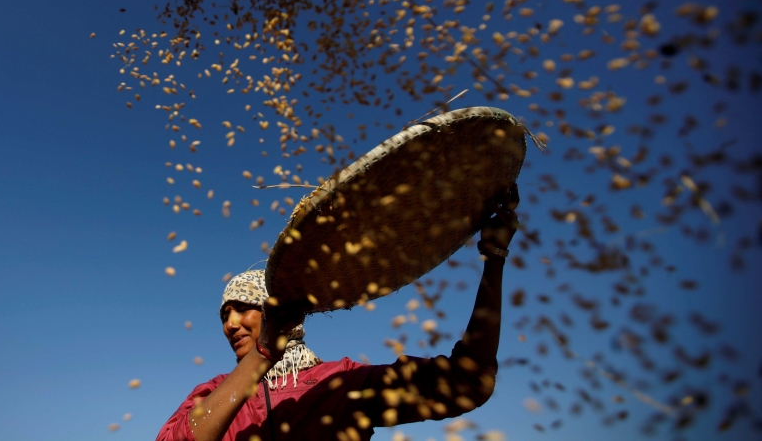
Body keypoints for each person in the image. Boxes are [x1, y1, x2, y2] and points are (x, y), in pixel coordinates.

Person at [157, 186, 519, 441]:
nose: (230, 324)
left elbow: (467, 381)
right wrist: (262, 356)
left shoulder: (341, 384)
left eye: (243, 309)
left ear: (277, 312)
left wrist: (494, 261)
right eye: (224, 315)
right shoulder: (213, 394)